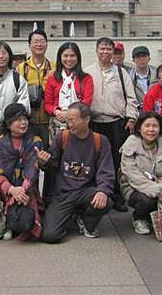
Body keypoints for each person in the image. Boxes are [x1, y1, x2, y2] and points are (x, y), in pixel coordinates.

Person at [39, 103, 114, 243]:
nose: (69, 124)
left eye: (73, 120)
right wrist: (44, 161)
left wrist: (103, 191)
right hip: (63, 194)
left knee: (105, 201)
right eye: (68, 120)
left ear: (86, 119)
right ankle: (69, 217)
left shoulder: (100, 141)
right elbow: (52, 165)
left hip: (86, 192)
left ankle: (85, 221)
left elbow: (106, 171)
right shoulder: (62, 137)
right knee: (50, 236)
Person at [85, 37, 139, 212]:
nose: (105, 52)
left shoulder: (121, 73)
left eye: (109, 49)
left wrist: (131, 118)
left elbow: (131, 98)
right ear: (96, 50)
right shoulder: (87, 72)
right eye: (102, 48)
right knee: (93, 159)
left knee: (116, 161)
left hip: (116, 123)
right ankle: (95, 194)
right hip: (93, 123)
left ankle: (116, 195)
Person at [120, 111, 162, 235]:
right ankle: (139, 218)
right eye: (147, 126)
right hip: (134, 187)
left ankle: (155, 217)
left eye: (155, 126)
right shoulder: (131, 144)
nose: (151, 130)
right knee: (147, 200)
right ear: (139, 128)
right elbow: (131, 174)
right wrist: (156, 189)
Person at [0, 103, 43, 240]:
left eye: (25, 119)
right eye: (18, 120)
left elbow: (32, 169)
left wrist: (21, 191)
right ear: (8, 124)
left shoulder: (35, 141)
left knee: (26, 198)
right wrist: (12, 190)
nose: (23, 123)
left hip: (28, 187)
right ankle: (8, 223)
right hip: (6, 189)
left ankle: (28, 224)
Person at [44, 42, 94, 142]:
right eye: (65, 56)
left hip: (79, 122)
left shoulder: (86, 78)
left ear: (78, 58)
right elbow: (47, 104)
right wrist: (56, 111)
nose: (69, 59)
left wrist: (69, 114)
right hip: (58, 122)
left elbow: (86, 102)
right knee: (58, 149)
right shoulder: (52, 78)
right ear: (60, 57)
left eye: (72, 56)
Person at [19, 30, 52, 146]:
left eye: (42, 41)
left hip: (49, 121)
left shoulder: (54, 67)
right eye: (35, 41)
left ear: (47, 44)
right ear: (29, 45)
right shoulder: (21, 68)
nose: (39, 44)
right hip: (28, 121)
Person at [128, 46, 157, 111]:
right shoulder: (128, 77)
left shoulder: (157, 75)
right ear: (133, 60)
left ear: (149, 58)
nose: (141, 59)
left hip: (156, 110)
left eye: (144, 56)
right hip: (137, 111)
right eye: (138, 57)